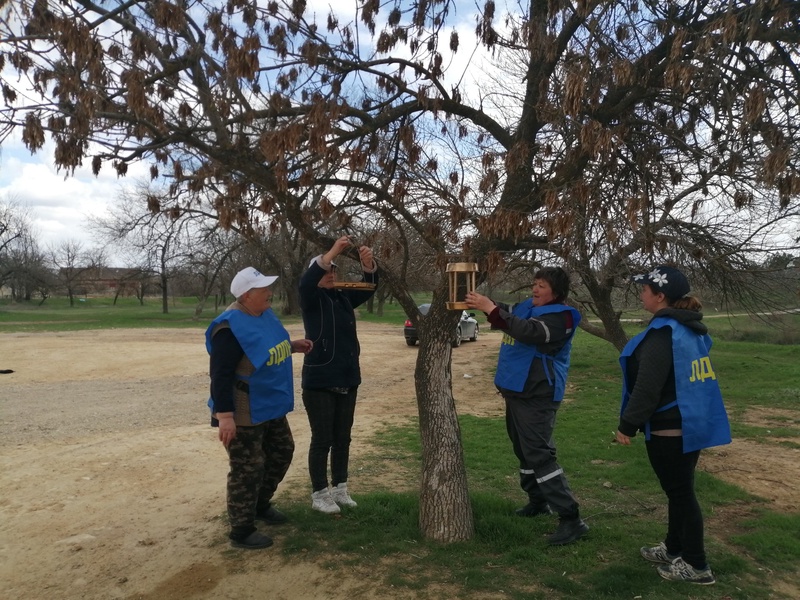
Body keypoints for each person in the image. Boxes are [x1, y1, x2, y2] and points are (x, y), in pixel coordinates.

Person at [617, 265, 730, 585]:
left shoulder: (663, 333)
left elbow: (648, 388)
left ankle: (696, 564)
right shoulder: (690, 329)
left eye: (645, 289)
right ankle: (673, 547)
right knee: (677, 490)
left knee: (681, 494)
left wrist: (627, 424)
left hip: (669, 428)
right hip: (691, 422)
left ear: (660, 296)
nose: (641, 294)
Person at [465, 267, 588, 546]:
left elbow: (528, 331)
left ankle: (571, 518)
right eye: (534, 284)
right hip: (518, 391)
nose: (535, 290)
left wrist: (490, 309)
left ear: (556, 292)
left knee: (540, 454)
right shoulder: (528, 306)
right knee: (524, 450)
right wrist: (486, 304)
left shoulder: (563, 317)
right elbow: (510, 314)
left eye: (541, 286)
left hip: (538, 394)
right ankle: (537, 501)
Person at [206, 267, 313, 549]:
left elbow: (263, 349)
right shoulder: (228, 328)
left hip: (269, 404)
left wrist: (292, 346)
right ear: (246, 295)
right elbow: (220, 375)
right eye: (263, 289)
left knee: (282, 452)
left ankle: (259, 504)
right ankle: (241, 530)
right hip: (242, 411)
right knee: (248, 468)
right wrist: (225, 417)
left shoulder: (263, 314)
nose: (269, 293)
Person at [299, 235, 378, 514]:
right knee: (323, 439)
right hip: (320, 380)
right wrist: (333, 251)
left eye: (334, 269)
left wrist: (368, 265)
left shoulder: (343, 297)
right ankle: (319, 493)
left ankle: (340, 489)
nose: (332, 274)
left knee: (343, 437)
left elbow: (369, 288)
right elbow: (306, 282)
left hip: (347, 377)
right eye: (327, 269)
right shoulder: (311, 297)